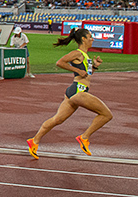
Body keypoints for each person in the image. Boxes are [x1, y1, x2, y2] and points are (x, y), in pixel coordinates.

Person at [27, 27, 112, 158]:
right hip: (78, 90)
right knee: (106, 115)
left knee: (57, 119)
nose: (92, 39)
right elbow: (60, 62)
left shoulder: (85, 56)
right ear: (83, 39)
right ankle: (84, 137)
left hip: (74, 91)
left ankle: (34, 140)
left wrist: (94, 66)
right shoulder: (77, 53)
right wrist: (77, 71)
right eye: (90, 37)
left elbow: (87, 75)